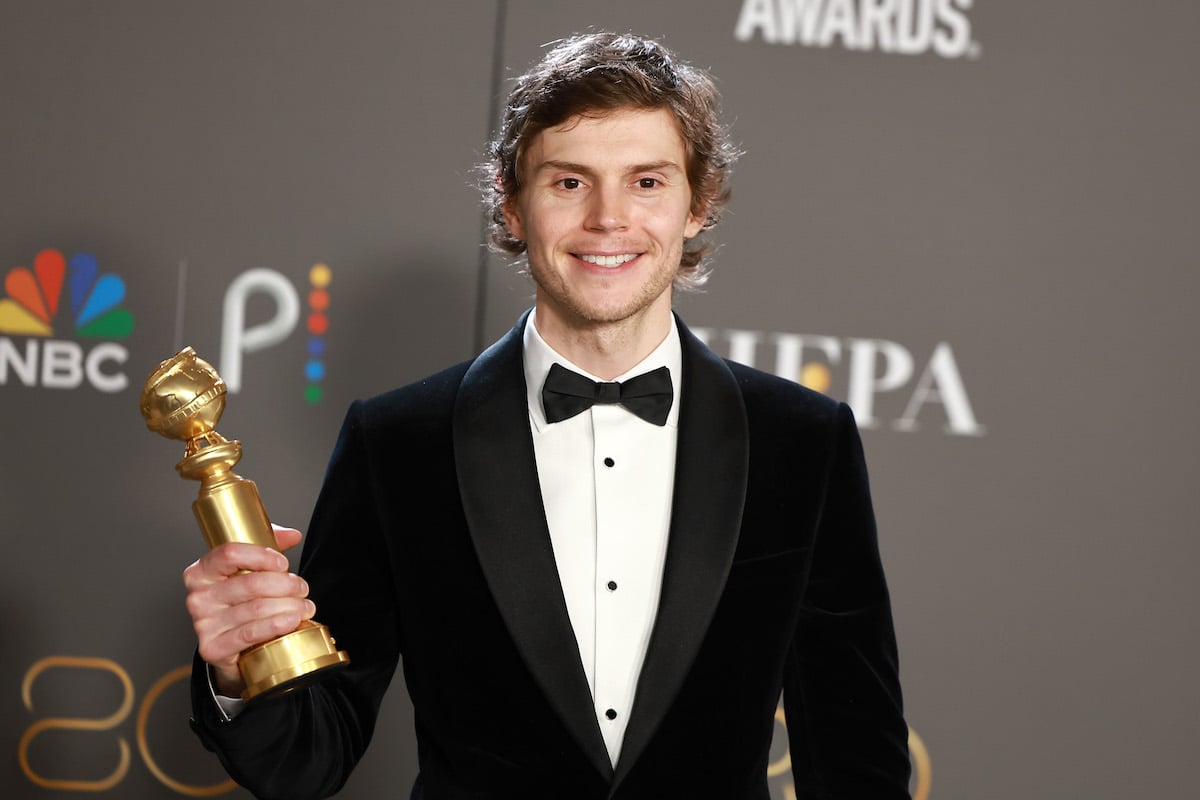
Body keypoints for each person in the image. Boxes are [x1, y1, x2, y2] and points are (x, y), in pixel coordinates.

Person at [183, 32, 911, 799]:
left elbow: (856, 758)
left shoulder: (803, 443)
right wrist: (240, 665)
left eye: (647, 182)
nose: (608, 219)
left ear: (697, 204)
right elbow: (303, 760)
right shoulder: (399, 443)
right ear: (511, 200)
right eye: (569, 182)